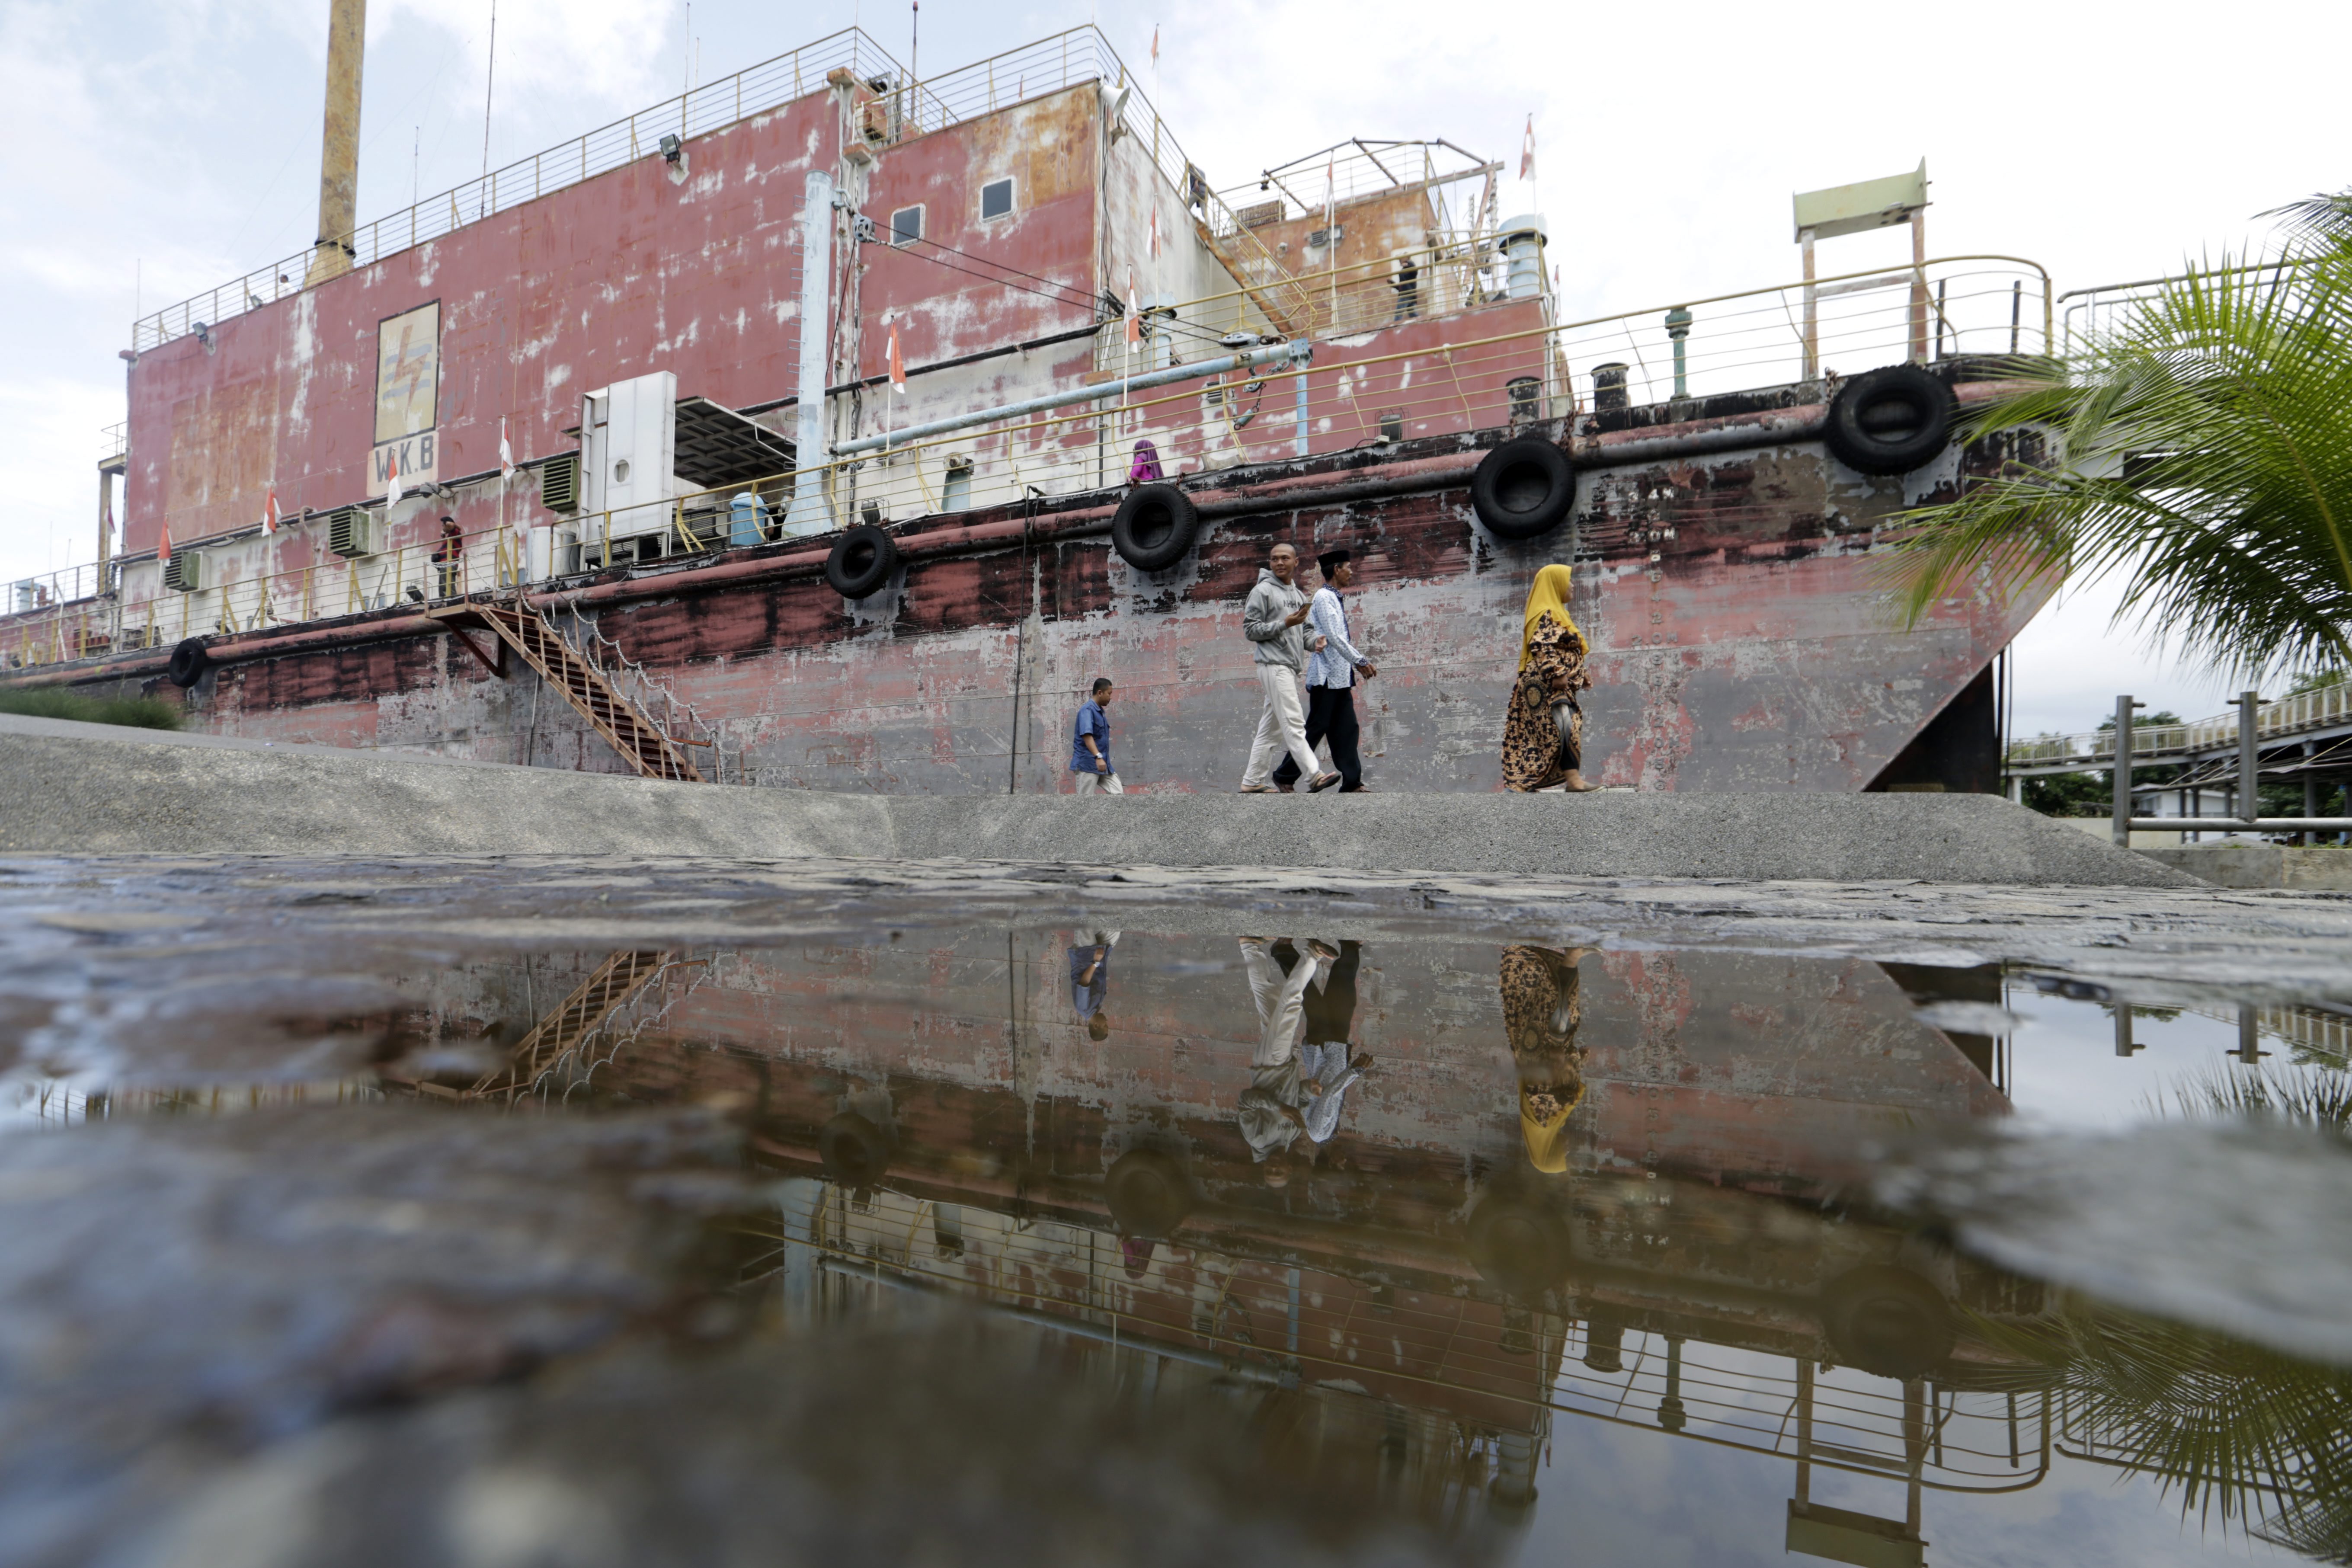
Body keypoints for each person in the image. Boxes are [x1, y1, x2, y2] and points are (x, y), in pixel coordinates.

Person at [1239, 544, 1341, 794]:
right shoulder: (1262, 591)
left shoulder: (1298, 595)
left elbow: (1304, 631)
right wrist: (1284, 624)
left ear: (1296, 562)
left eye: (1285, 558)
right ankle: (1314, 775)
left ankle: (1252, 781)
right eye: (1274, 559)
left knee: (1271, 731)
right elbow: (1250, 630)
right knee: (1295, 722)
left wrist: (1314, 642)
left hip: (1287, 666)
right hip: (1273, 665)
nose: (1279, 563)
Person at [1273, 550, 1376, 793]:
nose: (1351, 572)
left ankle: (1352, 783)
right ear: (1337, 570)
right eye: (1348, 567)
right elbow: (1334, 637)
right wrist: (1360, 660)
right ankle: (1285, 775)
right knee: (1316, 727)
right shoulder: (1324, 597)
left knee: (1347, 729)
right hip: (1326, 678)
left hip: (1340, 678)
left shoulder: (1334, 597)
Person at [1235, 935, 1332, 1186]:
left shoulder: (1257, 1139)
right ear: (1289, 1169)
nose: (1274, 1168)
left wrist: (1279, 1108)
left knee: (1291, 1006)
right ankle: (1249, 947)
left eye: (1270, 1172)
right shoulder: (1292, 1135)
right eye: (1279, 1173)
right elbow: (1297, 1098)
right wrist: (1310, 1090)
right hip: (1284, 1063)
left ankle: (1312, 954)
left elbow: (1246, 1101)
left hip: (1270, 1064)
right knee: (1270, 998)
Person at [1501, 563, 1597, 792]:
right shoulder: (1546, 613)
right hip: (1547, 684)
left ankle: (1528, 783)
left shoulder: (1558, 613)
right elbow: (1541, 645)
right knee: (1564, 728)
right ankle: (1572, 781)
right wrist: (1558, 673)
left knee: (1551, 731)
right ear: (1555, 584)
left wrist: (1580, 672)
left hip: (1553, 683)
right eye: (1568, 580)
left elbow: (1562, 648)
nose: (1572, 585)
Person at [1500, 944, 1593, 1174]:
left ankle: (1572, 956)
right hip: (1552, 1050)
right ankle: (1570, 957)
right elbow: (1561, 1089)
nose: (1568, 1150)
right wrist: (1578, 1065)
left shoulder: (1543, 1123)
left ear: (1551, 1151)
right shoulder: (1549, 1125)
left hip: (1548, 1049)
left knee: (1560, 1005)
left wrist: (1557, 1063)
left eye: (1563, 1154)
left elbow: (1540, 1089)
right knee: (1562, 1004)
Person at [1069, 678, 1123, 795]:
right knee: (1085, 801)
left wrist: (1101, 759)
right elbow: (1087, 735)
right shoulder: (1087, 710)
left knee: (1118, 794)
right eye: (1109, 693)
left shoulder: (1099, 712)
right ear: (1100, 693)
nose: (1111, 697)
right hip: (1087, 764)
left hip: (1103, 764)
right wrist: (1098, 757)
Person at [1069, 930, 1119, 1041]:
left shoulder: (1084, 1009)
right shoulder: (1096, 1008)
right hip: (1101, 952)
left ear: (1096, 1025)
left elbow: (1084, 982)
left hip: (1084, 954)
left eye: (1105, 1025)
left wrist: (1096, 962)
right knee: (1117, 928)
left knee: (1084, 921)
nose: (1106, 1021)